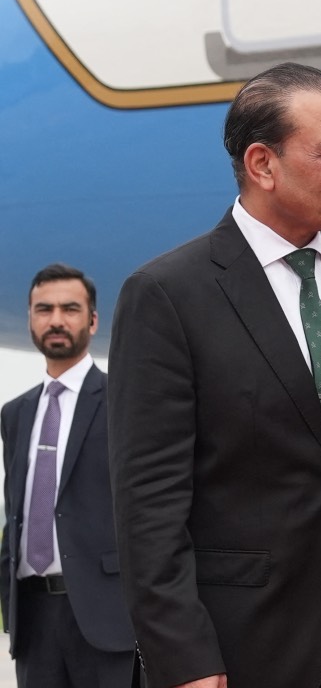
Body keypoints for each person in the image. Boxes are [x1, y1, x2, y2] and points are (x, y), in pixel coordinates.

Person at [108, 62, 321, 688]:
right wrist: (183, 656)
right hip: (242, 645)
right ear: (263, 164)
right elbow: (148, 503)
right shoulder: (166, 294)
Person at [1, 264, 134, 687]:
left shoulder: (123, 403)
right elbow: (17, 512)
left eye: (70, 309)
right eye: (44, 309)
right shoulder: (15, 414)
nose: (56, 320)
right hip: (34, 622)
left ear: (92, 321)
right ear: (31, 319)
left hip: (106, 619)